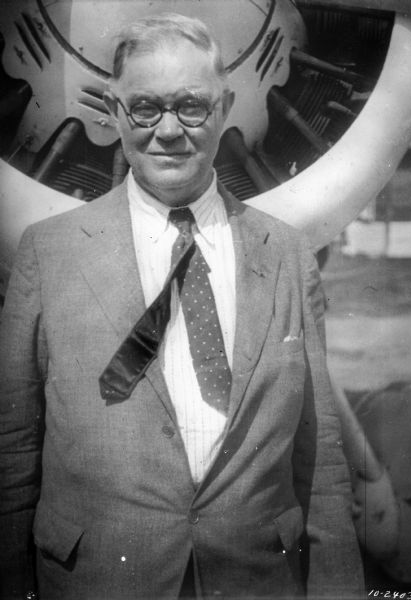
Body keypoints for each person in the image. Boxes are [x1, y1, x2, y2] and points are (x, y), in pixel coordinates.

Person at [0, 13, 364, 600]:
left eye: (191, 106)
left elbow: (318, 460)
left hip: (256, 581)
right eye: (145, 107)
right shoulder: (47, 253)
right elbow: (12, 453)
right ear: (117, 112)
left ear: (224, 108)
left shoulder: (290, 255)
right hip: (99, 581)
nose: (168, 130)